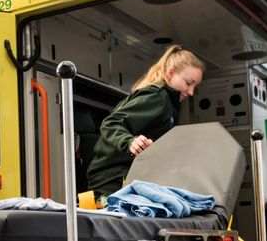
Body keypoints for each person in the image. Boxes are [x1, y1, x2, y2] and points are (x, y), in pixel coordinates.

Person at [86, 45, 204, 197]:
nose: (191, 92)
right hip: (112, 181)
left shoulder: (168, 103)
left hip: (123, 179)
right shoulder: (157, 98)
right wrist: (130, 142)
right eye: (188, 83)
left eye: (195, 86)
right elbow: (111, 123)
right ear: (170, 73)